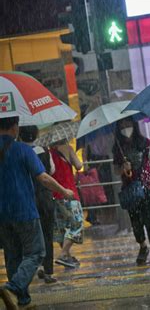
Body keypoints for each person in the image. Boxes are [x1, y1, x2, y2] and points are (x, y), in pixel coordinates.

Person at [0, 117, 74, 308]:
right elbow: (43, 177)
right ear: (15, 127)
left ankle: (22, 300)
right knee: (36, 251)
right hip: (23, 210)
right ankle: (13, 287)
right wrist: (64, 191)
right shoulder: (23, 150)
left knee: (13, 255)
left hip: (2, 214)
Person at [113, 117, 150, 266]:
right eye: (121, 124)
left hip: (147, 188)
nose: (125, 127)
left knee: (149, 220)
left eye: (127, 123)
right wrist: (123, 168)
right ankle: (143, 247)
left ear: (134, 124)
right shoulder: (117, 147)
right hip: (130, 189)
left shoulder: (145, 143)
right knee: (136, 222)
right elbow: (116, 170)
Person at [19, 126, 58, 284]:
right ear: (35, 135)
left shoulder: (18, 151)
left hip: (28, 198)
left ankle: (36, 267)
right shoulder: (44, 150)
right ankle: (48, 270)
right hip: (45, 197)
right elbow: (52, 171)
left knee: (31, 236)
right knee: (47, 235)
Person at [50, 138, 85, 268]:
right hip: (69, 194)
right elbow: (79, 165)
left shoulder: (49, 152)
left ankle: (67, 257)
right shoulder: (68, 148)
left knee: (62, 228)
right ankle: (64, 254)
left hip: (55, 195)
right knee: (77, 224)